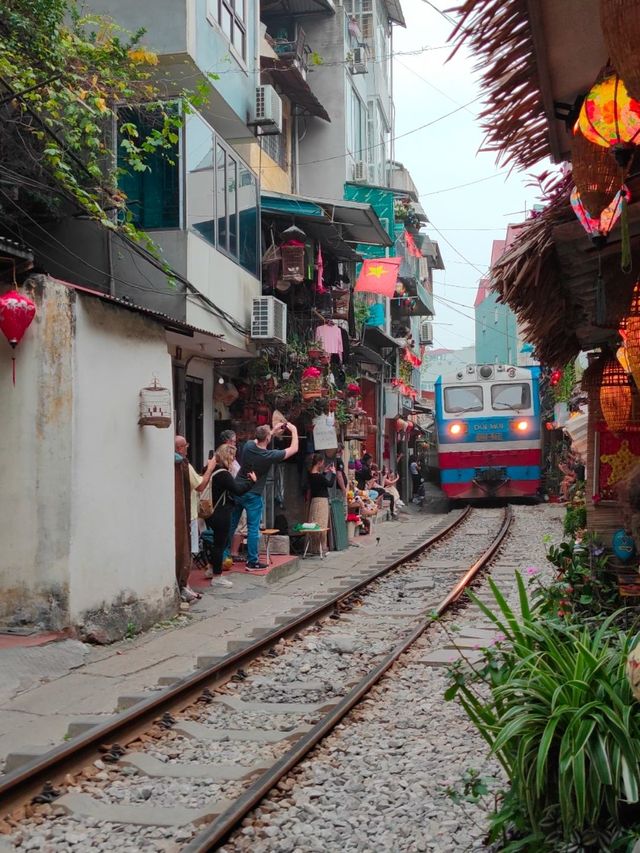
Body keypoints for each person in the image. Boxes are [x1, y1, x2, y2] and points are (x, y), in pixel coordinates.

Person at [226, 421, 299, 570]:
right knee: (253, 529)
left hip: (238, 489)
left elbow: (260, 439)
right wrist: (294, 431)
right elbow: (294, 449)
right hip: (253, 493)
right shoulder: (268, 455)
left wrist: (272, 431)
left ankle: (223, 556)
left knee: (231, 524)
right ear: (267, 439)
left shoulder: (248, 446)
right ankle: (252, 561)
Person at [204, 444, 257, 588]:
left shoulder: (210, 470)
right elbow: (238, 490)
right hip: (222, 512)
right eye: (232, 456)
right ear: (227, 457)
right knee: (220, 544)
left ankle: (210, 569)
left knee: (214, 542)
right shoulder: (223, 474)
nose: (234, 459)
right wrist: (251, 482)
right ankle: (217, 576)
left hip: (210, 511)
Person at [174, 435, 217, 603]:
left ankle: (185, 586)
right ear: (179, 448)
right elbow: (200, 485)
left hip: (185, 513)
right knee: (189, 551)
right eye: (185, 446)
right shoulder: (183, 464)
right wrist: (210, 469)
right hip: (189, 513)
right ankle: (185, 586)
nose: (187, 448)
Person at [307, 453, 336, 553]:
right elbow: (330, 484)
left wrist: (324, 472)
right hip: (322, 501)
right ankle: (321, 548)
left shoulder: (311, 474)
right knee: (321, 525)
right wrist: (333, 473)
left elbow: (320, 482)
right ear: (319, 463)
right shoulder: (319, 477)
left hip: (314, 501)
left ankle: (313, 547)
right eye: (322, 462)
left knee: (314, 523)